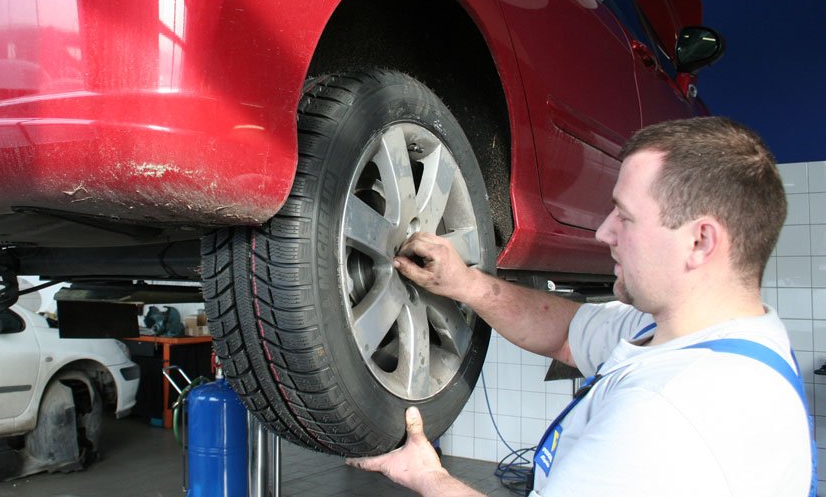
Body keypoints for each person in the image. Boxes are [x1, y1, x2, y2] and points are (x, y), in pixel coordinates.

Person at [347, 117, 814, 496]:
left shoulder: (676, 414)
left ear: (700, 241)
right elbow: (567, 333)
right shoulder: (703, 337)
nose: (603, 232)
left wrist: (429, 477)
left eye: (625, 218)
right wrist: (465, 282)